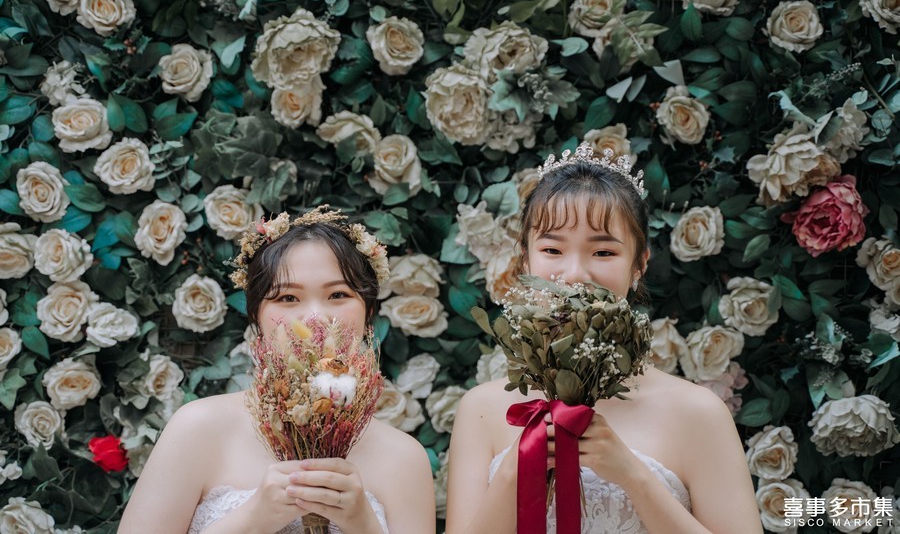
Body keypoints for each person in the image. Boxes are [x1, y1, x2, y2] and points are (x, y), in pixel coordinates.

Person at [446, 143, 763, 534]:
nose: (576, 274)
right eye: (552, 249)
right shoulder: (481, 409)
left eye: (603, 252)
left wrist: (632, 475)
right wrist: (514, 474)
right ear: (526, 260)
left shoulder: (698, 412)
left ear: (639, 265)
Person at [119, 207, 435, 534]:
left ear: (368, 311)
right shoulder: (197, 428)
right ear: (256, 314)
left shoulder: (404, 457)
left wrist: (363, 525)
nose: (314, 317)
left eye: (338, 294)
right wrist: (255, 517)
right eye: (287, 297)